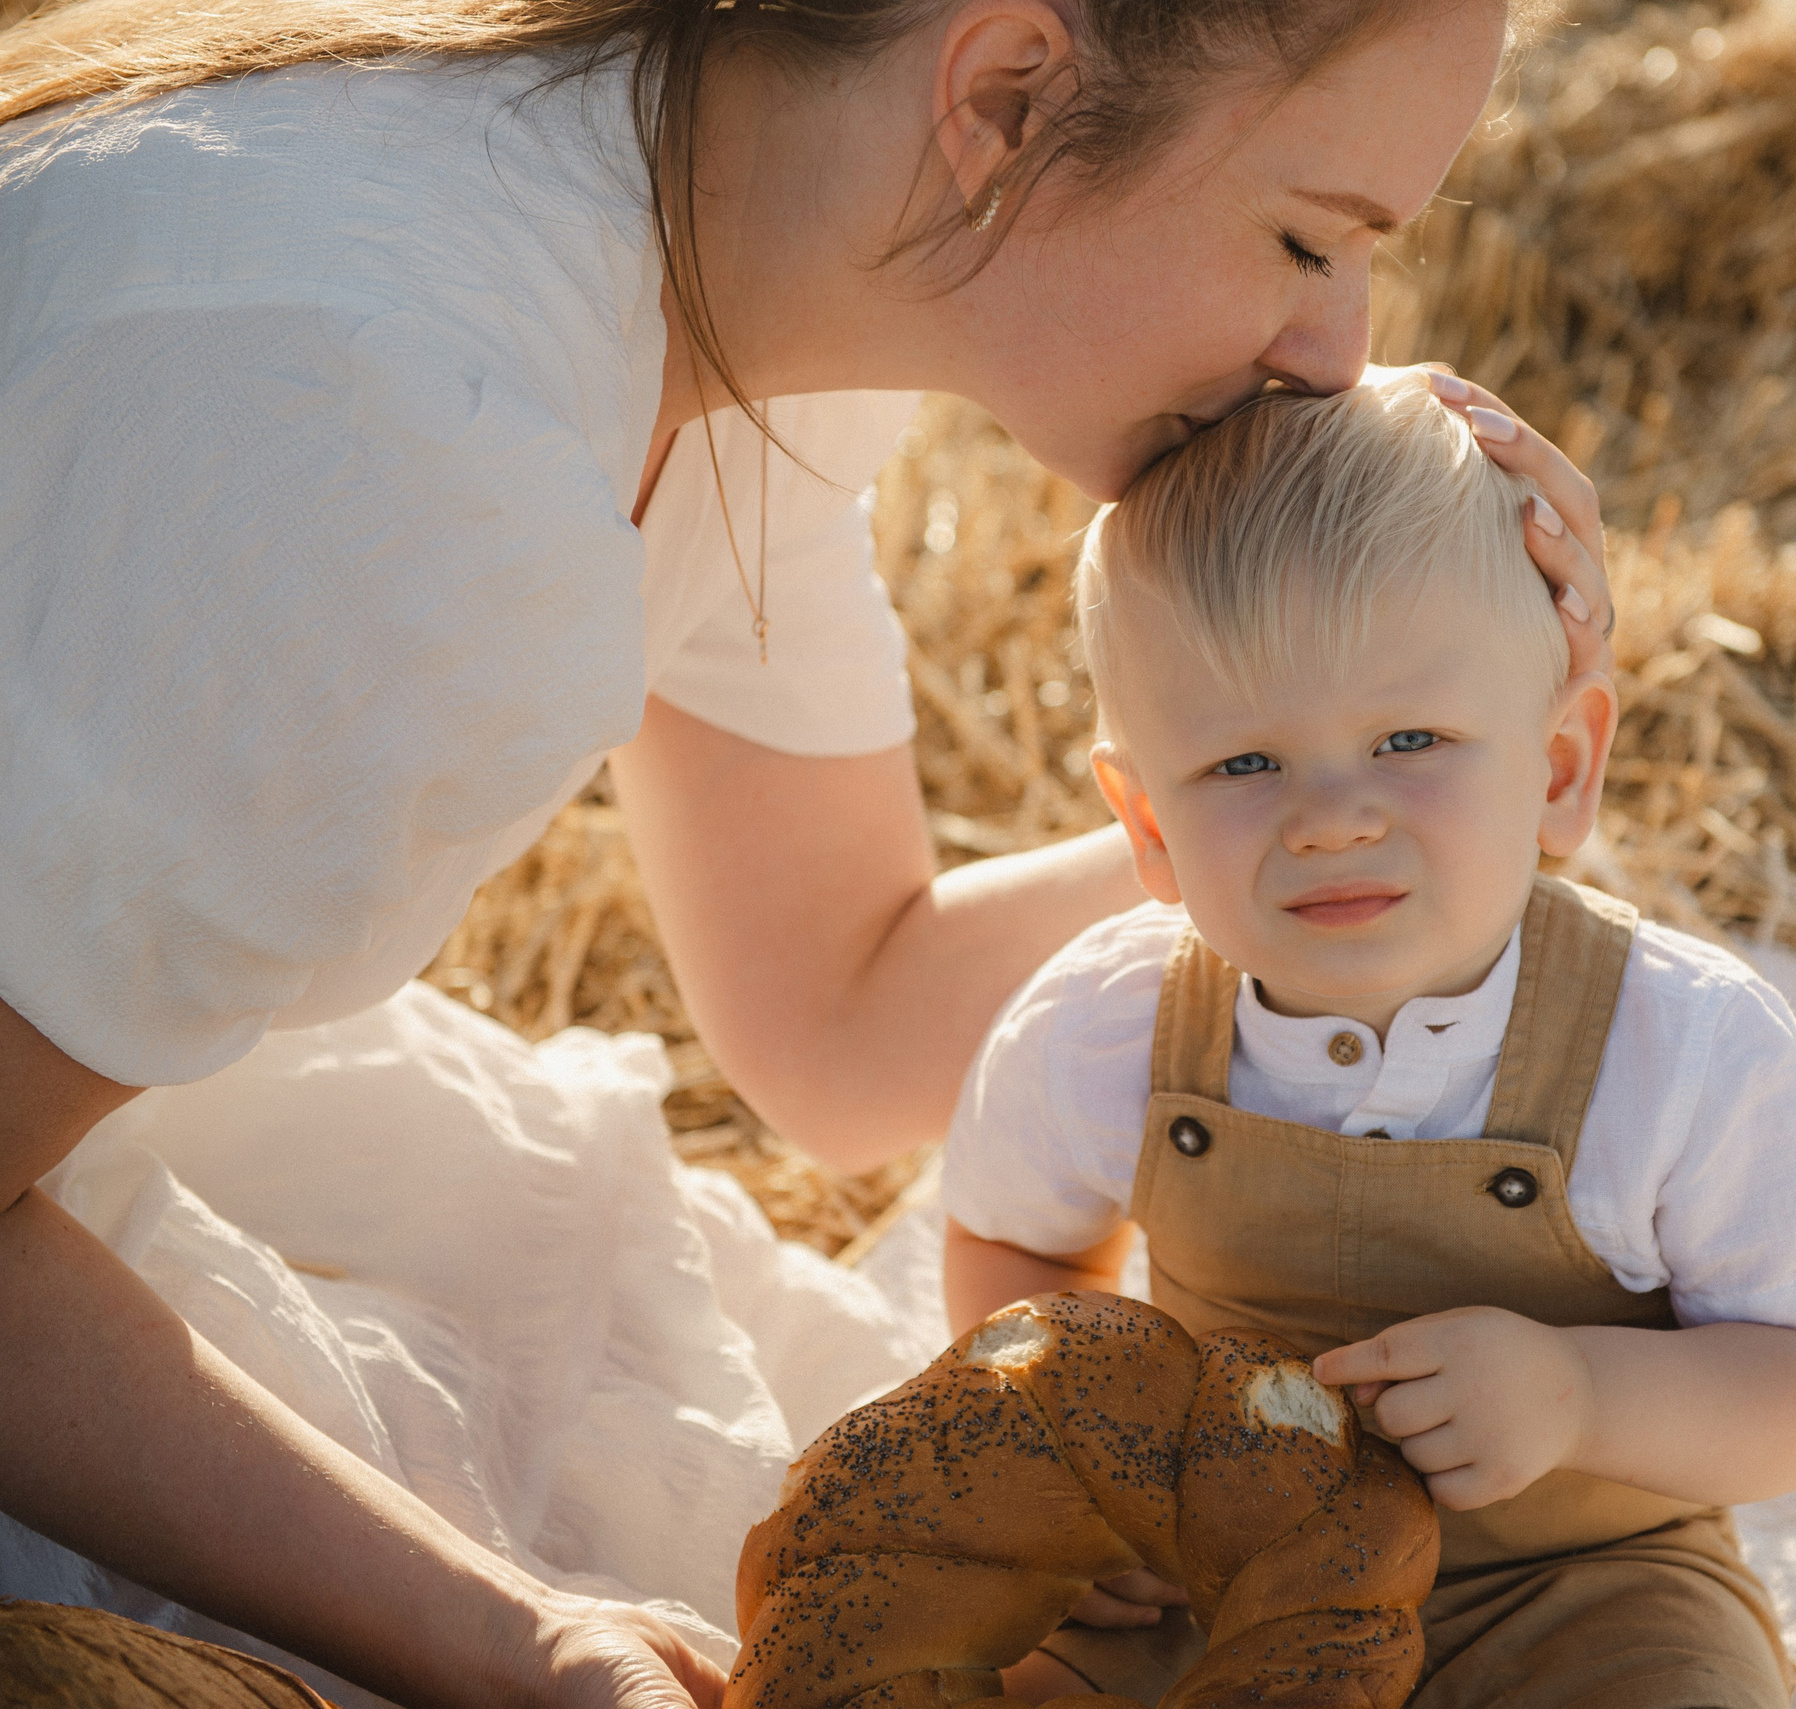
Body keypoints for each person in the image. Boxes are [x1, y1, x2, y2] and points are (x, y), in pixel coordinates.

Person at [0, 1, 1624, 1704]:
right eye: (1309, 239)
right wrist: (522, 1638)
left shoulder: (739, 304)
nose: (1335, 348)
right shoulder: (399, 438)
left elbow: (843, 1019)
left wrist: (1426, 779)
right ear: (1004, 94)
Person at [941, 372, 1796, 1707]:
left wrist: (1579, 1391)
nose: (1333, 815)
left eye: (1409, 739)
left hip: (1583, 1588)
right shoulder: (1107, 1028)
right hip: (1214, 1580)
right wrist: (1077, 1462)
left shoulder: (1679, 1048)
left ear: (1561, 767)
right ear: (1148, 822)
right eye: (1245, 764)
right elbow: (1017, 1242)